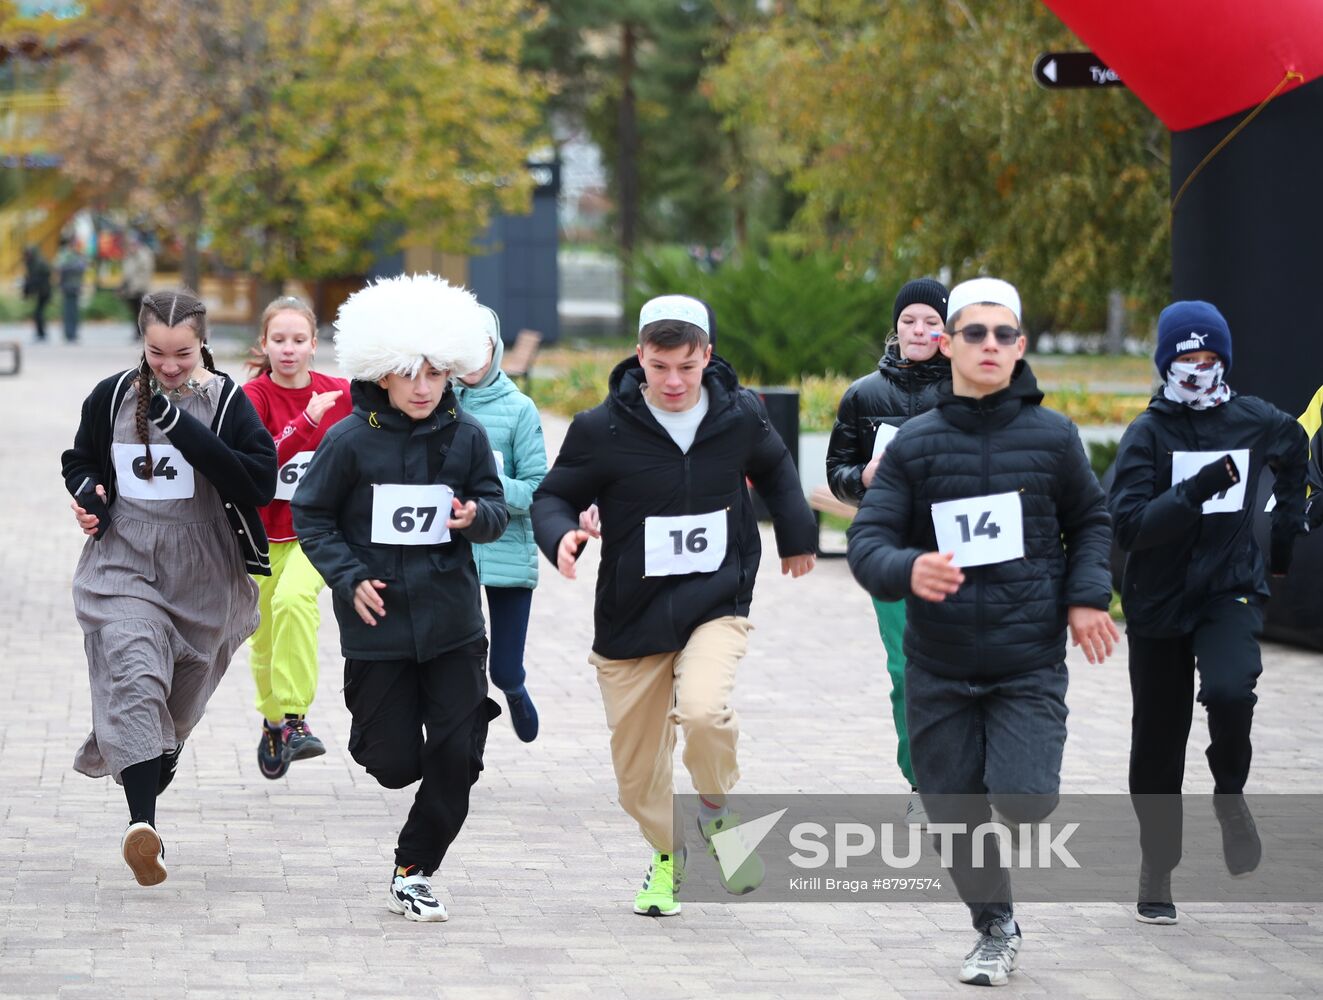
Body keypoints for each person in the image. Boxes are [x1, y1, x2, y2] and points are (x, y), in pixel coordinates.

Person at [846, 277, 1118, 987]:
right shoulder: (915, 446)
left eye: (1003, 334)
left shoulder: (1053, 437)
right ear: (946, 342)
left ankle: (1000, 895)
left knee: (1025, 801)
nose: (988, 345)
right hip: (937, 664)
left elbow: (1091, 521)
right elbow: (868, 540)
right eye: (974, 333)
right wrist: (908, 568)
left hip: (1025, 660)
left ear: (1019, 346)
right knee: (953, 815)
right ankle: (994, 927)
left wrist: (1088, 596)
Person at [531, 293, 819, 918]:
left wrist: (798, 536)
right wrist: (562, 537)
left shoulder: (740, 415)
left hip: (716, 598)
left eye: (686, 367)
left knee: (704, 712)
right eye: (660, 366)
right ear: (640, 357)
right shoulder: (601, 429)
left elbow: (775, 469)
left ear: (707, 356)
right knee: (637, 780)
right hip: (631, 614)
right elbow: (553, 496)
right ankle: (668, 856)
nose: (673, 381)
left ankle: (716, 813)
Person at [292, 274, 507, 923]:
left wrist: (478, 516)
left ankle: (414, 869)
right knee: (389, 763)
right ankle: (450, 730)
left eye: (436, 373)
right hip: (376, 626)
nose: (422, 386)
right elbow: (313, 517)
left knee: (453, 758)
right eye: (409, 373)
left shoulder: (466, 436)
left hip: (452, 623)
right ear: (381, 373)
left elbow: (495, 506)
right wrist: (348, 576)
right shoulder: (348, 440)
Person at [61, 289, 277, 886]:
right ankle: (142, 830)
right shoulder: (111, 396)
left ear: (202, 343)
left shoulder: (229, 401)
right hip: (125, 563)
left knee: (175, 714)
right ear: (143, 343)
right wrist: (89, 496)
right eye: (157, 352)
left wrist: (181, 426)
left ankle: (154, 766)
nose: (170, 365)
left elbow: (257, 482)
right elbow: (78, 459)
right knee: (134, 672)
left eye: (182, 353)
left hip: (206, 573)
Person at [1107, 300, 1307, 925]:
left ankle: (1229, 794)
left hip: (1229, 588)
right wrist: (1195, 490)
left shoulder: (1253, 420)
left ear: (1225, 360)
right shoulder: (1148, 433)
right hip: (1158, 599)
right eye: (1187, 359)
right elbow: (1130, 526)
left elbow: (1296, 446)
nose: (1199, 369)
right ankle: (1158, 864)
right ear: (1167, 362)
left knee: (1228, 690)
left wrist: (1285, 532)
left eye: (1210, 357)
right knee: (1158, 742)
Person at [826, 277, 949, 818]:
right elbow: (836, 472)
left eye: (931, 322)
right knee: (906, 671)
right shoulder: (863, 395)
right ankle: (923, 782)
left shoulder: (969, 391)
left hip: (958, 551)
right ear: (895, 327)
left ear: (948, 333)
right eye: (908, 321)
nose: (918, 331)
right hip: (891, 550)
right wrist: (865, 477)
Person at [242, 295, 352, 778]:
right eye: (279, 340)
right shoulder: (253, 398)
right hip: (263, 537)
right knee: (263, 640)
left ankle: (294, 719)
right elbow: (262, 459)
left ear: (314, 344)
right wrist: (307, 420)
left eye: (299, 340)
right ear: (264, 344)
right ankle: (272, 721)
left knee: (294, 603)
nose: (289, 349)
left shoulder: (341, 392)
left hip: (316, 533)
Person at [455, 305, 548, 742]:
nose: (473, 358)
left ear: (496, 348)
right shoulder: (437, 402)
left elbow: (537, 489)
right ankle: (464, 739)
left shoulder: (520, 409)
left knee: (504, 668)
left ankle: (512, 689)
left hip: (508, 550)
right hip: (452, 556)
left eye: (482, 346)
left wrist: (487, 484)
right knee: (458, 664)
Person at [120, 233, 155, 338]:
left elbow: (144, 272)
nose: (132, 246)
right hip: (131, 288)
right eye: (130, 244)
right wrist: (123, 285)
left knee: (141, 311)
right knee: (135, 311)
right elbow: (127, 272)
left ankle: (142, 332)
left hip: (140, 288)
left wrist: (137, 285)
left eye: (134, 244)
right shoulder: (129, 256)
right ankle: (138, 332)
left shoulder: (144, 255)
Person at [55, 235, 86, 343]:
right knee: (68, 310)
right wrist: (73, 266)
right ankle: (68, 334)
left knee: (74, 311)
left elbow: (83, 268)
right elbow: (59, 267)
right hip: (67, 286)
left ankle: (73, 333)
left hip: (76, 286)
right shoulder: (66, 255)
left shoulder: (79, 255)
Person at [21, 244, 52, 342]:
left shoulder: (39, 263)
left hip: (44, 291)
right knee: (38, 313)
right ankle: (40, 333)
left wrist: (29, 289)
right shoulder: (31, 263)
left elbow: (41, 277)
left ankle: (41, 333)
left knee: (38, 313)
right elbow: (30, 279)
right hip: (40, 291)